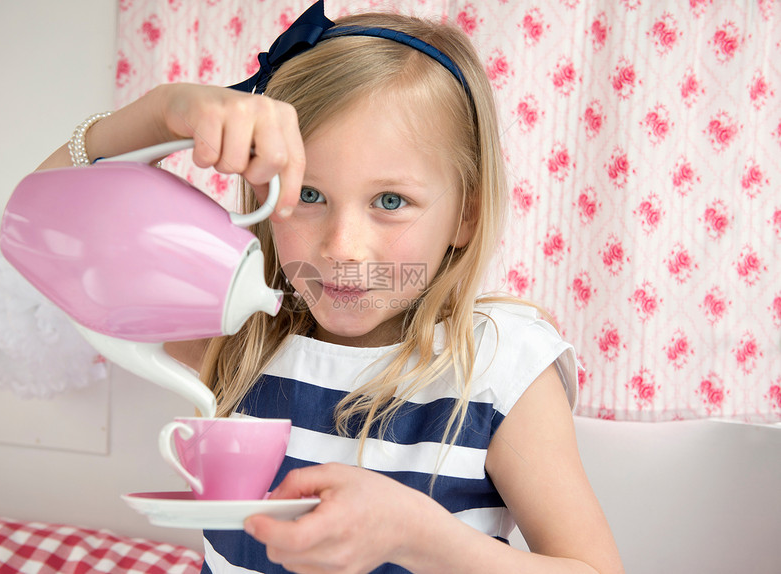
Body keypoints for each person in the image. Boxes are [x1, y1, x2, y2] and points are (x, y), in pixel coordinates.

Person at [37, 2, 623, 572]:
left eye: (390, 202)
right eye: (309, 195)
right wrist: (163, 112)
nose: (343, 246)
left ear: (465, 215)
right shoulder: (239, 339)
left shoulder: (497, 369)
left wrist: (419, 537)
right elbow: (42, 222)